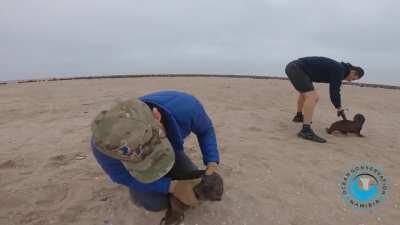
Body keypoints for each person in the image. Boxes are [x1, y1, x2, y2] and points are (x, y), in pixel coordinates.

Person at [91, 90, 220, 212]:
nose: (152, 159)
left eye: (154, 144)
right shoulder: (105, 145)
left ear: (156, 116)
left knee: (196, 182)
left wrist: (212, 162)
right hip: (141, 171)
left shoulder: (186, 107)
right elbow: (123, 177)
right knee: (154, 203)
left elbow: (205, 130)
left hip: (173, 151)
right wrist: (171, 187)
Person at [285, 56, 364, 143]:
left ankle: (299, 116)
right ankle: (305, 131)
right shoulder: (339, 70)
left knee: (306, 93)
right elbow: (334, 91)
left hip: (295, 68)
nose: (349, 81)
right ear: (353, 72)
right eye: (352, 79)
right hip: (296, 69)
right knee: (313, 97)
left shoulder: (339, 68)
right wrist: (339, 107)